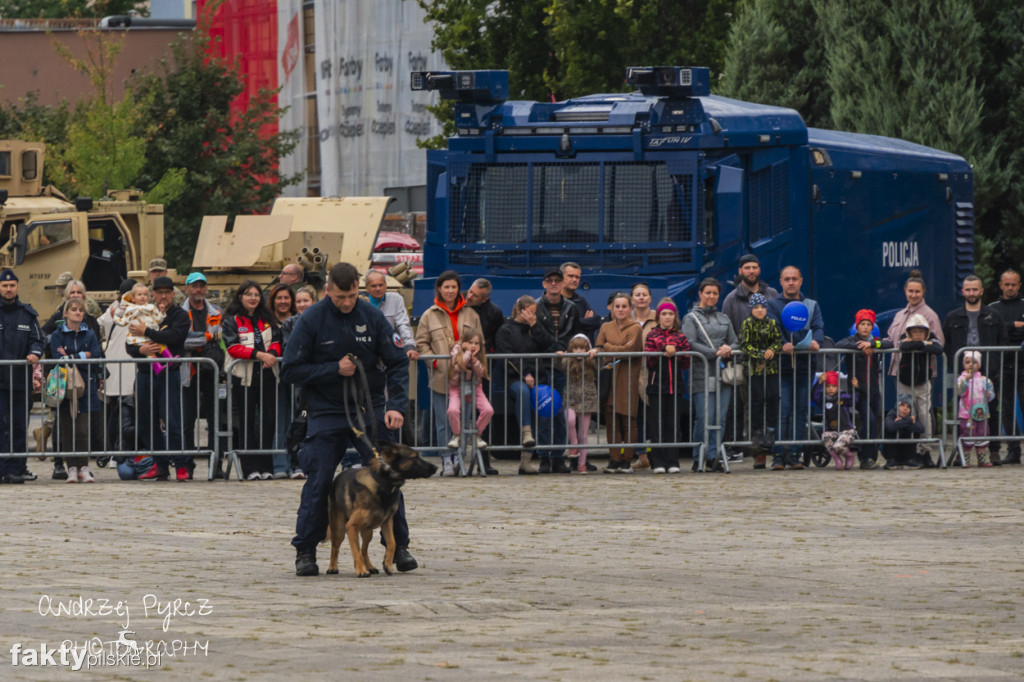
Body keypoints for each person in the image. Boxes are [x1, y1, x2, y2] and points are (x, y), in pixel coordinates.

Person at [282, 262, 415, 577]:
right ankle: (306, 550)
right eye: (341, 296)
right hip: (326, 411)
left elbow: (397, 363)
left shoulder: (372, 316)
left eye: (352, 295)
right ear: (328, 290)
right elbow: (290, 370)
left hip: (368, 410)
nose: (346, 302)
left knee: (388, 475)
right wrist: (332, 369)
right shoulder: (311, 319)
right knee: (320, 479)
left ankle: (400, 547)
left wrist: (396, 406)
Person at [127, 276, 190, 481]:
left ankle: (181, 465)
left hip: (169, 373)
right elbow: (130, 343)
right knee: (146, 421)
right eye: (159, 292)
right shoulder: (144, 311)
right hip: (145, 373)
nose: (163, 296)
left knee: (172, 420)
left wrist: (146, 332)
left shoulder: (180, 315)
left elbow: (174, 337)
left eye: (167, 292)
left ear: (173, 294)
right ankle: (161, 464)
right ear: (153, 294)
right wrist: (140, 349)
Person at [415, 271, 484, 455]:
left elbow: (480, 341)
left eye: (454, 287)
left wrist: (473, 359)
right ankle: (447, 458)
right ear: (439, 288)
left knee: (464, 419)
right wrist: (434, 362)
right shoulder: (428, 315)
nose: (450, 291)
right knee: (443, 421)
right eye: (446, 287)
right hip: (441, 377)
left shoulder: (471, 314)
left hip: (466, 376)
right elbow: (421, 343)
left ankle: (460, 456)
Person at [942, 274, 1007, 464]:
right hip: (963, 373)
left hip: (987, 371)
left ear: (981, 291)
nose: (971, 293)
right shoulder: (953, 317)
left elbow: (1002, 340)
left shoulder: (993, 316)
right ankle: (961, 450)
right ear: (963, 291)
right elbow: (946, 344)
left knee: (991, 411)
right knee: (962, 413)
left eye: (975, 289)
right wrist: (954, 367)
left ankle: (993, 449)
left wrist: (993, 364)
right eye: (968, 289)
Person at [42, 278, 102, 480]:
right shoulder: (58, 333)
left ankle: (84, 466)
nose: (78, 312)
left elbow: (94, 354)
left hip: (86, 385)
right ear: (65, 312)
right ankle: (71, 468)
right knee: (67, 427)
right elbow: (58, 358)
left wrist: (72, 356)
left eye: (80, 309)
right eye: (73, 309)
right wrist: (81, 355)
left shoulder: (90, 333)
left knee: (83, 428)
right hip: (64, 385)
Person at [766, 266, 825, 471]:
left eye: (794, 279)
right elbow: (773, 327)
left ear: (801, 281)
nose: (791, 282)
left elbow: (818, 327)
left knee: (801, 411)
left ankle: (795, 454)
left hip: (804, 366)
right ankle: (778, 456)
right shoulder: (773, 305)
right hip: (782, 367)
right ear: (781, 282)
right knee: (783, 412)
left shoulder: (811, 305)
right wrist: (783, 343)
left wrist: (817, 341)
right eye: (786, 279)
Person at [223, 279, 281, 481]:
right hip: (243, 378)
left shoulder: (267, 317)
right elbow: (233, 347)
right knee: (246, 423)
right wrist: (260, 355)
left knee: (268, 421)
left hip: (267, 376)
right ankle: (249, 468)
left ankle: (267, 467)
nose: (253, 298)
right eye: (249, 294)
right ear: (241, 297)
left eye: (256, 295)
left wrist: (271, 354)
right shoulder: (232, 320)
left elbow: (276, 340)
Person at [495, 295, 557, 475]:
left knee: (543, 412)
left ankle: (529, 460)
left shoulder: (535, 327)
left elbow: (549, 345)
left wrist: (534, 325)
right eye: (531, 312)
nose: (533, 315)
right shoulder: (506, 329)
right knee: (523, 392)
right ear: (521, 310)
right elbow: (507, 355)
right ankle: (526, 433)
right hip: (515, 378)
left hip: (539, 377)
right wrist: (524, 374)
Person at [886, 271, 944, 460]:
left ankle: (924, 451)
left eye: (917, 291)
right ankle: (907, 451)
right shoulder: (899, 315)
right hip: (900, 372)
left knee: (922, 413)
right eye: (910, 291)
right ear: (905, 292)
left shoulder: (930, 315)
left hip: (922, 374)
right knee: (904, 411)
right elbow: (892, 339)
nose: (913, 295)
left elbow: (938, 343)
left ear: (923, 292)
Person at [682, 278, 739, 471]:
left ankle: (714, 457)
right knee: (703, 417)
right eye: (708, 293)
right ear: (700, 294)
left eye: (715, 293)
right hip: (701, 373)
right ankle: (699, 455)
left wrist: (727, 348)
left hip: (722, 375)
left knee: (720, 417)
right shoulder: (691, 318)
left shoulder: (724, 318)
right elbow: (689, 342)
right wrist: (714, 352)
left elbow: (736, 341)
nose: (711, 296)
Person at [0, 269, 44, 484]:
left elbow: (38, 340)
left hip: (20, 381)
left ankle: (16, 469)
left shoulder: (27, 314)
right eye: (5, 286)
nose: (9, 289)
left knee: (18, 425)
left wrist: (34, 352)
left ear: (17, 287)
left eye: (12, 286)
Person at [534, 267, 580, 473]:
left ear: (562, 284)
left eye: (557, 280)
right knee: (545, 412)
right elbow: (535, 336)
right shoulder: (535, 307)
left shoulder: (571, 307)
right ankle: (544, 456)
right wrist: (554, 349)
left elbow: (574, 333)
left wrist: (566, 351)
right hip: (542, 366)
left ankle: (558, 456)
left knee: (561, 413)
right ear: (544, 284)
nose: (553, 283)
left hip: (563, 367)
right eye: (549, 280)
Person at [180, 272, 225, 479]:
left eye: (201, 286)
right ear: (187, 288)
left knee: (215, 419)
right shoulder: (180, 313)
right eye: (194, 286)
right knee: (187, 419)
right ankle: (187, 464)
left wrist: (201, 340)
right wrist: (207, 337)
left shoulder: (216, 311)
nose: (198, 290)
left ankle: (216, 464)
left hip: (212, 371)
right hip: (189, 370)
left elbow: (221, 340)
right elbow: (182, 341)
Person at [836, 309, 893, 469]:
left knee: (876, 423)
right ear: (857, 326)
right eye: (862, 324)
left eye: (869, 324)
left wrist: (873, 344)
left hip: (874, 390)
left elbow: (890, 344)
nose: (866, 327)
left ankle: (872, 457)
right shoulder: (852, 340)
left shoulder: (875, 341)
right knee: (869, 421)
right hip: (858, 391)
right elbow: (839, 344)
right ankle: (865, 457)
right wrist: (859, 346)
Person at [595, 292, 643, 473]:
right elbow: (599, 347)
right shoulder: (605, 327)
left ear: (630, 308)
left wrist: (609, 347)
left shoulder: (635, 328)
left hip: (628, 378)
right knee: (611, 420)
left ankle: (627, 459)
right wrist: (608, 348)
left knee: (628, 420)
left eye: (624, 306)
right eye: (617, 306)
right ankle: (614, 459)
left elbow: (630, 350)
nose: (621, 310)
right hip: (609, 378)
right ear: (612, 308)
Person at [644, 300, 691, 474]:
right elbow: (650, 359)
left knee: (673, 425)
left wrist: (676, 351)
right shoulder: (652, 335)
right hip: (657, 386)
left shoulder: (680, 336)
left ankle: (673, 460)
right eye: (664, 314)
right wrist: (664, 348)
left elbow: (686, 360)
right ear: (658, 317)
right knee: (657, 425)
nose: (667, 317)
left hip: (675, 386)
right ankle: (658, 461)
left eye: (670, 314)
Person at [739, 292, 783, 468]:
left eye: (762, 307)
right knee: (757, 400)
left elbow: (778, 341)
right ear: (751, 309)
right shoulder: (747, 324)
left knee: (773, 397)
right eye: (756, 307)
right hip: (754, 369)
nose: (760, 310)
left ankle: (771, 429)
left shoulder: (772, 323)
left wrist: (772, 350)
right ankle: (757, 432)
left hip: (771, 368)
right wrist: (760, 357)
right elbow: (744, 344)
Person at [97, 279, 139, 459]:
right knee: (123, 412)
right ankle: (119, 449)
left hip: (116, 367)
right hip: (126, 365)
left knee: (115, 411)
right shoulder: (126, 312)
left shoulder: (110, 311)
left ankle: (115, 450)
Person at [896, 313, 943, 464]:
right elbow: (903, 345)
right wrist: (924, 345)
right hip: (905, 384)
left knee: (925, 416)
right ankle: (909, 452)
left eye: (921, 331)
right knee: (907, 416)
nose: (917, 334)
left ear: (926, 332)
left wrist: (923, 343)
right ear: (909, 331)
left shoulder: (932, 338)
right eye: (914, 331)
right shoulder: (904, 337)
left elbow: (938, 348)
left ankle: (925, 451)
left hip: (923, 383)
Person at [987, 269, 1024, 464]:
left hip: (1023, 364)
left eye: (1014, 284)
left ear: (1019, 285)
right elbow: (995, 331)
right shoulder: (993, 308)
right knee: (1006, 409)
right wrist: (1014, 325)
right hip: (1003, 365)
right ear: (1000, 285)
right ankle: (1013, 450)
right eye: (1006, 284)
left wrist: (1008, 327)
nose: (1010, 288)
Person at [445, 331, 495, 475]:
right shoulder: (457, 350)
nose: (474, 346)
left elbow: (480, 373)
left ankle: (476, 435)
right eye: (471, 342)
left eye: (476, 343)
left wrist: (474, 360)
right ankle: (457, 435)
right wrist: (467, 353)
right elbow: (457, 367)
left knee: (488, 410)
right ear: (464, 342)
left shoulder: (479, 356)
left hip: (475, 387)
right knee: (452, 410)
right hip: (456, 387)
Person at [268, 282, 298, 478]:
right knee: (279, 421)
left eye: (286, 297)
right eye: (279, 298)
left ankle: (297, 463)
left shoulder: (299, 321)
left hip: (297, 378)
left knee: (298, 421)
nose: (283, 301)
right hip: (273, 378)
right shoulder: (266, 322)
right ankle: (279, 464)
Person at [563, 334, 600, 474]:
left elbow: (604, 360)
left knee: (583, 435)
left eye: (582, 348)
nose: (579, 352)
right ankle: (573, 445)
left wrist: (596, 351)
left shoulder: (591, 361)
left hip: (587, 400)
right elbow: (556, 362)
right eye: (576, 348)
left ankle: (582, 464)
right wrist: (560, 354)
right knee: (570, 420)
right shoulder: (567, 361)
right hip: (571, 398)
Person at [363, 271, 417, 359]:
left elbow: (403, 324)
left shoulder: (396, 299)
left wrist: (409, 346)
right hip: (367, 354)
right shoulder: (360, 303)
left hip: (390, 353)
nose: (378, 288)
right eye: (373, 286)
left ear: (386, 285)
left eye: (381, 285)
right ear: (366, 288)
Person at [722, 254, 780, 336]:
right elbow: (726, 332)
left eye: (754, 267)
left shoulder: (772, 294)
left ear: (759, 270)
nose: (751, 271)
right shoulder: (731, 299)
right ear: (740, 271)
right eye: (747, 268)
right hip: (742, 348)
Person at [956, 351, 996, 467]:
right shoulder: (962, 379)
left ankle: (982, 458)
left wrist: (989, 395)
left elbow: (991, 394)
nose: (970, 365)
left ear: (979, 365)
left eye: (974, 362)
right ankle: (966, 458)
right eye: (967, 362)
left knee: (982, 434)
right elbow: (960, 391)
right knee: (967, 434)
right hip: (966, 414)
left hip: (981, 413)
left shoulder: (985, 380)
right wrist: (966, 381)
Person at [812, 371, 856, 470]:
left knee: (838, 446)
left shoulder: (843, 397)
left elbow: (855, 400)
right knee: (825, 436)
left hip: (846, 430)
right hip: (832, 430)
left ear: (837, 387)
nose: (830, 389)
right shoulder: (823, 399)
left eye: (833, 386)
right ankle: (837, 459)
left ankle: (849, 456)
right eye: (828, 386)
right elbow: (814, 396)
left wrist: (855, 388)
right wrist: (819, 383)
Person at [560, 262, 601, 341]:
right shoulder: (555, 301)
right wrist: (584, 322)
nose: (574, 280)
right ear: (561, 277)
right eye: (570, 276)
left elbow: (596, 322)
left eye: (577, 277)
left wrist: (573, 322)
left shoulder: (581, 300)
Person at [883, 394, 925, 469]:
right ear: (897, 406)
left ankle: (909, 459)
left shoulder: (911, 417)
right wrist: (908, 421)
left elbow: (921, 428)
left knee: (913, 430)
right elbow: (891, 426)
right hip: (892, 451)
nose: (905, 409)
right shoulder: (891, 414)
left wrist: (901, 422)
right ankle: (891, 460)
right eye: (902, 405)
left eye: (908, 407)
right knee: (889, 430)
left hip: (907, 452)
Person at [465, 278, 505, 353]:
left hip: (482, 356)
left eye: (475, 296)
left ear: (484, 300)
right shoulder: (457, 302)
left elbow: (497, 340)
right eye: (470, 291)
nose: (469, 296)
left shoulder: (494, 313)